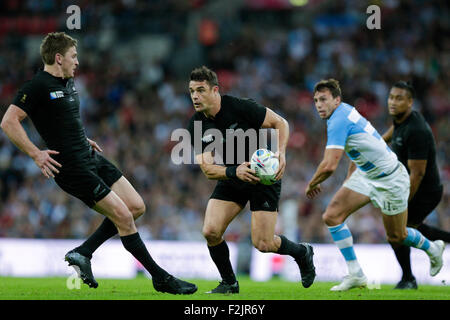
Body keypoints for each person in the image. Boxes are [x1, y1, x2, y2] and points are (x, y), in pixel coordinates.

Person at [0, 32, 197, 295]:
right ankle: (161, 278)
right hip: (72, 167)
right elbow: (8, 122)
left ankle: (84, 252)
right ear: (58, 58)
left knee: (136, 206)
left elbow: (63, 121)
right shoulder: (37, 86)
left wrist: (82, 138)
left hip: (88, 154)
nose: (77, 61)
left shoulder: (68, 83)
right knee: (124, 218)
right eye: (73, 56)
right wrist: (36, 154)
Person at [305, 79, 445, 291]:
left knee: (398, 236)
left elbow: (329, 166)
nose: (319, 105)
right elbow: (360, 146)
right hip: (367, 175)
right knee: (332, 215)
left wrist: (311, 184)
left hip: (390, 179)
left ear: (336, 100)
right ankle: (356, 274)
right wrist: (350, 178)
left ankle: (432, 247)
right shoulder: (343, 111)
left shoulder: (338, 120)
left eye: (323, 99)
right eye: (316, 100)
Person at [187, 66, 315, 293]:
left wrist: (281, 153)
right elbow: (207, 169)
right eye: (192, 91)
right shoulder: (197, 124)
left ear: (215, 90)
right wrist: (233, 172)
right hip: (233, 175)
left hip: (263, 176)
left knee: (263, 243)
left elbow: (281, 123)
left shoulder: (240, 106)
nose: (195, 96)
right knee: (210, 231)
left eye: (200, 90)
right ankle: (229, 283)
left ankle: (302, 252)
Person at [382, 81, 450, 289]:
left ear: (410, 102)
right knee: (405, 230)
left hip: (425, 191)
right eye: (391, 97)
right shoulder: (402, 120)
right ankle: (408, 277)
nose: (393, 102)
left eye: (399, 98)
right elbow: (394, 131)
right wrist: (377, 143)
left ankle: (408, 278)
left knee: (398, 232)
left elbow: (417, 174)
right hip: (412, 186)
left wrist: (400, 202)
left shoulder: (417, 130)